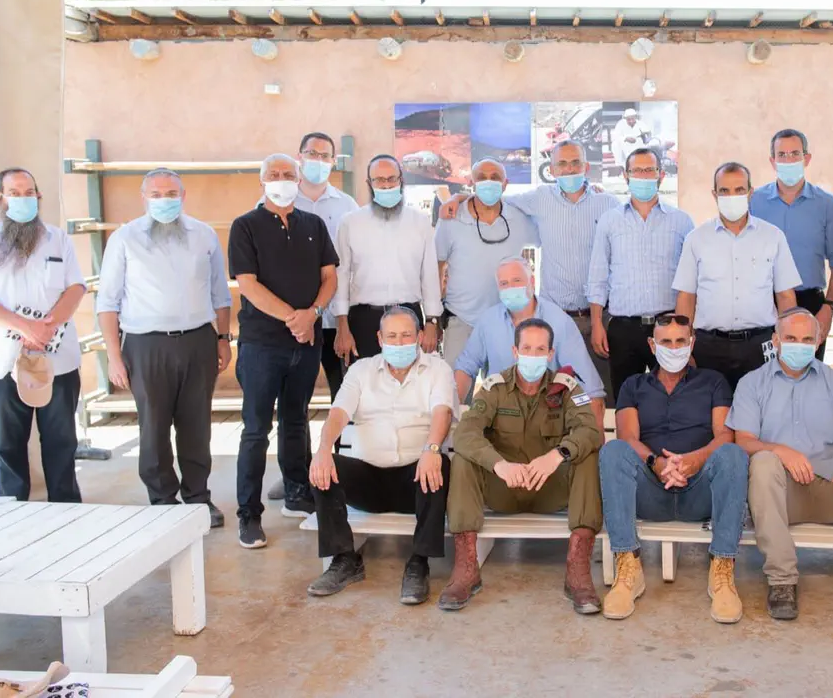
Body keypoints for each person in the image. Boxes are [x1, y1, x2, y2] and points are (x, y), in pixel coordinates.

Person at [728, 309, 833, 622]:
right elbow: (744, 442)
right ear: (776, 341)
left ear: (819, 341)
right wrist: (781, 450)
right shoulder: (752, 384)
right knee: (764, 461)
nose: (799, 345)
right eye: (791, 338)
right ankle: (782, 580)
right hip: (781, 496)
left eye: (807, 339)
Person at [97, 169, 231, 528]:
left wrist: (223, 338)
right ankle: (163, 500)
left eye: (171, 193)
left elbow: (220, 292)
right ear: (143, 198)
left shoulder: (203, 235)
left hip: (198, 341)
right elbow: (107, 303)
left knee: (196, 425)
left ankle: (198, 498)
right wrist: (114, 357)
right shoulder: (124, 239)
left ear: (183, 196)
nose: (164, 200)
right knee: (154, 426)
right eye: (155, 194)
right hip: (146, 345)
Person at [440, 319, 604, 613]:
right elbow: (465, 433)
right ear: (515, 351)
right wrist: (499, 464)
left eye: (540, 349)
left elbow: (590, 431)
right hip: (503, 488)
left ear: (551, 353)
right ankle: (466, 568)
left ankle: (578, 570)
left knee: (586, 455)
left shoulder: (568, 388)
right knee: (464, 458)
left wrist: (557, 455)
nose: (533, 354)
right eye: (527, 348)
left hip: (550, 490)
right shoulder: (495, 388)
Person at [598, 313, 747, 624]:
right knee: (613, 451)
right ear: (653, 346)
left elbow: (724, 435)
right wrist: (657, 463)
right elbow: (628, 438)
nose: (674, 348)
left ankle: (722, 569)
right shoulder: (633, 385)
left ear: (691, 343)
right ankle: (628, 567)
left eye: (681, 341)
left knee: (733, 454)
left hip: (699, 491)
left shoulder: (713, 382)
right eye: (666, 342)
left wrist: (695, 460)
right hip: (650, 491)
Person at [439, 140, 618, 398]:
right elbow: (492, 198)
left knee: (598, 391)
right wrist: (461, 197)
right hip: (553, 316)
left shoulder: (608, 204)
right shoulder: (540, 199)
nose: (569, 169)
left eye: (575, 163)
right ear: (552, 170)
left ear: (586, 167)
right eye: (562, 164)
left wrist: (600, 320)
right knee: (550, 393)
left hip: (598, 316)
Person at [306, 307, 457, 605]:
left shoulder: (438, 370)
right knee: (324, 466)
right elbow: (339, 412)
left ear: (419, 337)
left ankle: (419, 562)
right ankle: (345, 560)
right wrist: (323, 449)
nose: (399, 343)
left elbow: (443, 411)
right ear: (379, 338)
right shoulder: (361, 371)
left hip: (416, 478)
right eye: (392, 336)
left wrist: (431, 449)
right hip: (369, 479)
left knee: (440, 465)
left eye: (406, 336)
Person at [229, 154, 339, 549]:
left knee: (296, 421)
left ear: (298, 180)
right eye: (274, 174)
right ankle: (249, 514)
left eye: (288, 174)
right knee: (256, 429)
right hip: (262, 345)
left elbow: (330, 277)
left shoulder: (314, 225)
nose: (282, 180)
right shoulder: (245, 226)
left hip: (306, 344)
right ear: (261, 181)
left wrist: (313, 314)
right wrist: (294, 318)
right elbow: (248, 284)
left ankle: (297, 493)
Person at [0, 168, 86, 503]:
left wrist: (46, 328)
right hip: (3, 362)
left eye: (29, 192)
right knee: (8, 446)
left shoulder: (58, 239)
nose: (23, 198)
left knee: (62, 442)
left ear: (38, 195)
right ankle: (11, 514)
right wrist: (26, 328)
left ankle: (67, 511)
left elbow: (76, 288)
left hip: (58, 357)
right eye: (14, 193)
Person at [264, 132, 361, 505]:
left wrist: (344, 319)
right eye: (311, 153)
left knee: (345, 399)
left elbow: (348, 268)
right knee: (293, 406)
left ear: (333, 162)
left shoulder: (347, 205)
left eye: (325, 155)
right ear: (299, 157)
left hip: (336, 322)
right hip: (292, 325)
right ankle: (296, 475)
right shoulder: (274, 200)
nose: (318, 160)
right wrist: (295, 317)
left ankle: (340, 471)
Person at [673, 162, 801, 390]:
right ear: (714, 195)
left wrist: (789, 343)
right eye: (724, 191)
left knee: (762, 407)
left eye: (739, 190)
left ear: (750, 193)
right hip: (708, 347)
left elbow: (785, 296)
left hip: (761, 344)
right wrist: (683, 348)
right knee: (711, 409)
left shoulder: (773, 237)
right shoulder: (696, 239)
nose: (732, 196)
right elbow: (686, 297)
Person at [587, 148, 695, 401]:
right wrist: (596, 324)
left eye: (650, 170)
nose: (644, 176)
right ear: (626, 175)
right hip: (623, 328)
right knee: (626, 400)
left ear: (661, 175)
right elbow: (598, 276)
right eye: (637, 170)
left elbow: (692, 281)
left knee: (674, 398)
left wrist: (689, 329)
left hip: (668, 327)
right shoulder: (610, 221)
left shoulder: (681, 221)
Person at [454, 258, 606, 430]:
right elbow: (466, 367)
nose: (511, 288)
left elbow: (590, 390)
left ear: (532, 281)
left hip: (548, 421)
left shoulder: (559, 321)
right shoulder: (488, 322)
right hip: (498, 421)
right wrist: (454, 408)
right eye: (504, 284)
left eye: (517, 280)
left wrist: (591, 439)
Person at [749, 129, 833, 359]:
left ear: (807, 158)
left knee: (806, 375)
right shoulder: (753, 203)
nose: (788, 160)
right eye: (782, 155)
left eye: (795, 154)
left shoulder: (829, 207)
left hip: (809, 304)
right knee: (765, 375)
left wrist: (829, 308)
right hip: (762, 304)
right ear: (772, 161)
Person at [333, 155, 442, 365]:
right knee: (365, 381)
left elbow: (429, 274)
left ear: (401, 181)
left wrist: (431, 321)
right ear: (369, 184)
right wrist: (342, 326)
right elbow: (342, 275)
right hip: (364, 321)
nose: (386, 185)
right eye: (379, 180)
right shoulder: (350, 223)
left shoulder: (419, 222)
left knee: (410, 381)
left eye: (392, 179)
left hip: (409, 317)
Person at [435, 157, 537, 366]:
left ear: (505, 184)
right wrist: (434, 316)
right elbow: (437, 265)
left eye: (495, 177)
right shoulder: (451, 217)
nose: (488, 182)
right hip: (461, 319)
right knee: (456, 384)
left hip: (506, 321)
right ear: (471, 182)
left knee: (502, 385)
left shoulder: (519, 217)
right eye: (481, 178)